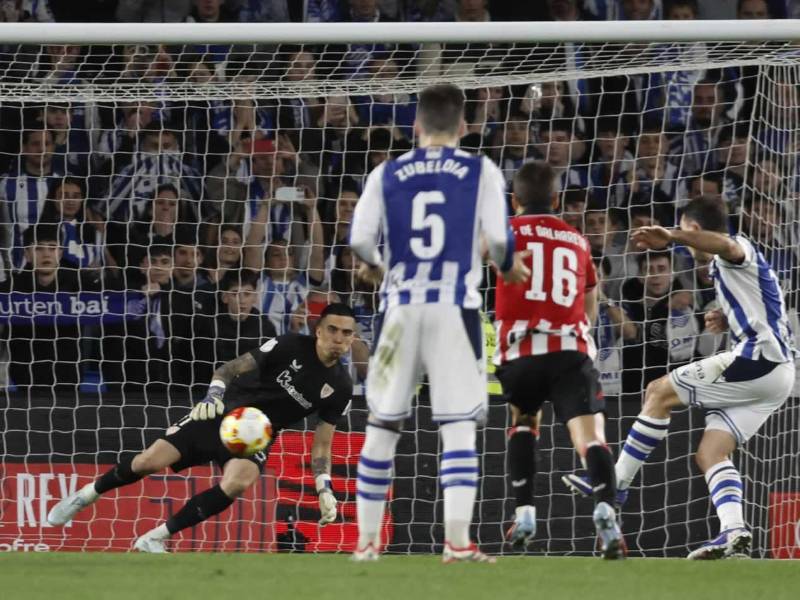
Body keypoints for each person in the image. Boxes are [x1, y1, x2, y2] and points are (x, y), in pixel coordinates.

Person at [348, 83, 529, 563]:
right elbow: (501, 242)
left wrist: (376, 266)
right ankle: (457, 543)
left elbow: (360, 240)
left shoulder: (387, 171)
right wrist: (507, 265)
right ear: (464, 127)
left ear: (416, 126)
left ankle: (366, 545)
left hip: (400, 308)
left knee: (382, 425)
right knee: (458, 429)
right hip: (454, 308)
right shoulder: (480, 169)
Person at [565, 195, 796, 559]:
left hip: (759, 361)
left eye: (689, 235)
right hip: (777, 376)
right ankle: (734, 532)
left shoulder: (733, 250)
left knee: (658, 391)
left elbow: (724, 243)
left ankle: (615, 484)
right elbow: (765, 303)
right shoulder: (728, 270)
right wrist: (727, 317)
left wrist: (672, 236)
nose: (689, 251)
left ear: (694, 228)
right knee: (711, 453)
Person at [48, 303, 356, 553]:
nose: (338, 338)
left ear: (353, 338)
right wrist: (214, 394)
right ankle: (86, 495)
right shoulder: (289, 345)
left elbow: (321, 446)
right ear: (318, 331)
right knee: (147, 462)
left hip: (256, 435)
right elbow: (229, 368)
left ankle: (155, 537)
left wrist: (324, 486)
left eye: (346, 333)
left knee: (238, 482)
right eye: (332, 329)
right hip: (223, 410)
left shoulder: (341, 386)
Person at [491, 161, 623, 559]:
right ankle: (605, 510)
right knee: (590, 438)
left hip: (521, 352)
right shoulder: (578, 241)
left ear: (514, 200)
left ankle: (526, 513)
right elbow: (590, 305)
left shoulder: (505, 233)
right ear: (556, 200)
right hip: (569, 350)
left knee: (524, 424)